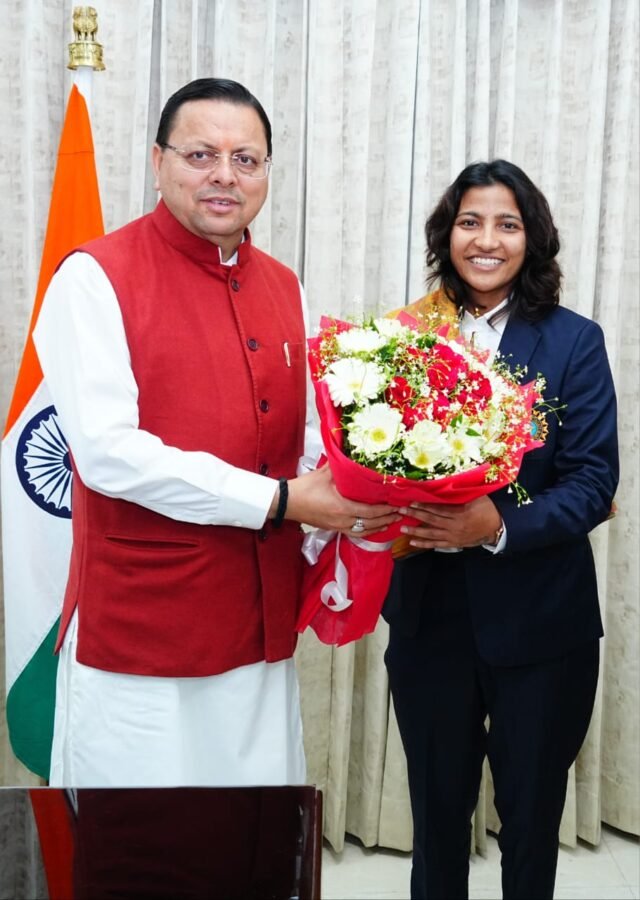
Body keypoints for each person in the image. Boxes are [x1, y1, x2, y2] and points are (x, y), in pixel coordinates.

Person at [33, 77, 398, 788]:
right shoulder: (94, 277)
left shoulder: (284, 285)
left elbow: (300, 435)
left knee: (252, 824)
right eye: (201, 155)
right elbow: (110, 454)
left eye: (246, 159)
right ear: (158, 162)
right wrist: (282, 501)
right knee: (140, 837)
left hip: (259, 617)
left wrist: (364, 490)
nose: (225, 175)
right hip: (143, 628)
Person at [383, 159, 618, 899]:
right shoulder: (404, 336)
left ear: (532, 239)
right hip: (429, 620)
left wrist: (495, 525)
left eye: (507, 225)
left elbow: (593, 483)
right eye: (470, 222)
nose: (486, 240)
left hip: (541, 625)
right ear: (447, 234)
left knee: (530, 822)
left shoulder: (574, 342)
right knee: (437, 821)